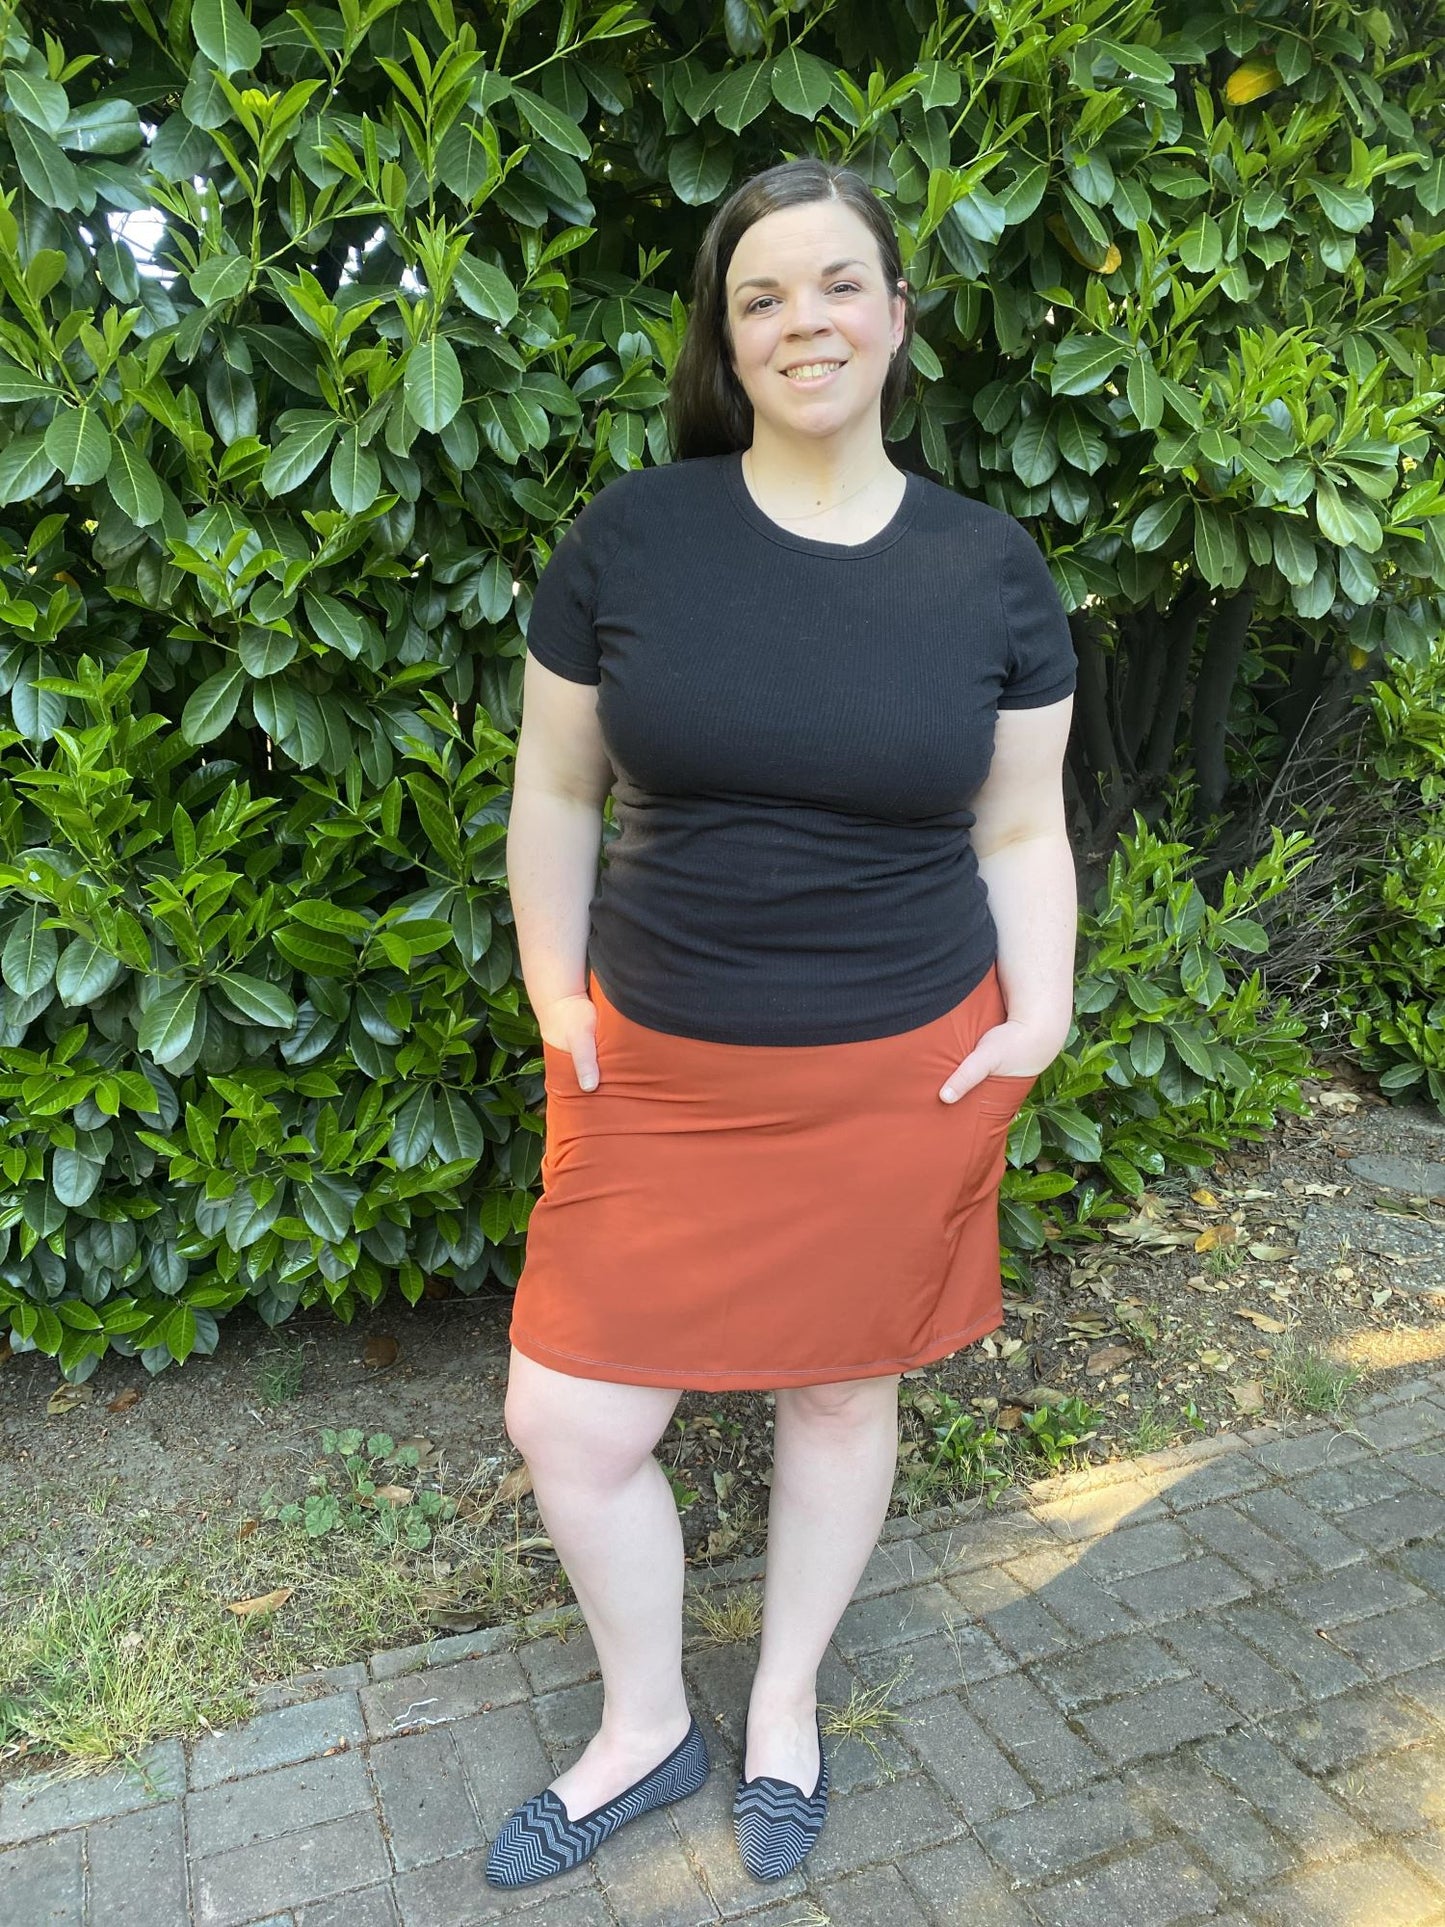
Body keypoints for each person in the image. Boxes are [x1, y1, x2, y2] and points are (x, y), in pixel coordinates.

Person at [488, 156, 1077, 1889]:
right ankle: (644, 1726)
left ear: (898, 315)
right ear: (724, 337)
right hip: (657, 1061)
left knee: (836, 1396)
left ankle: (790, 1707)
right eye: (759, 296)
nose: (800, 320)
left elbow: (1023, 827)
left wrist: (1034, 1015)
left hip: (898, 1058)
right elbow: (555, 790)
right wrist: (552, 997)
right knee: (572, 1422)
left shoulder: (989, 568)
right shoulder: (632, 538)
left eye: (835, 284)